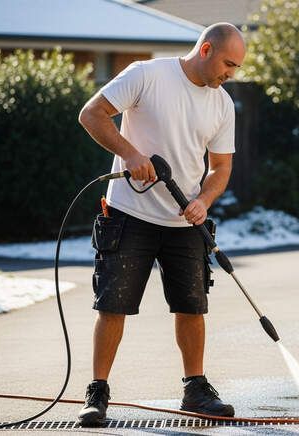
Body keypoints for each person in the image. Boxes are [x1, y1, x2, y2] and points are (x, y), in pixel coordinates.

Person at [75, 22, 245, 427]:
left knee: (192, 306)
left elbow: (221, 168)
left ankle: (196, 389)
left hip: (184, 219)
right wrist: (130, 153)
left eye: (236, 67)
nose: (231, 74)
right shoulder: (146, 75)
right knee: (113, 305)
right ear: (205, 49)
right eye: (228, 63)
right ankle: (97, 392)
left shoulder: (222, 104)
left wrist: (204, 200)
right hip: (128, 214)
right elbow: (91, 114)